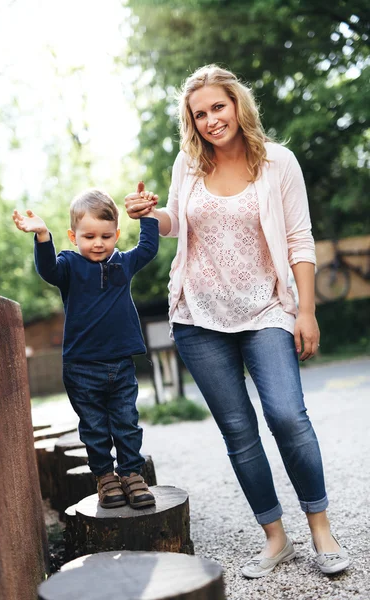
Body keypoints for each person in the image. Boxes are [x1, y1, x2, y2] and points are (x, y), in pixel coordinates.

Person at [125, 65, 350, 576]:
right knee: (237, 430)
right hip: (197, 316)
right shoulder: (189, 163)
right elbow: (174, 224)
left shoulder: (278, 162)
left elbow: (300, 240)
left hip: (267, 309)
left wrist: (306, 311)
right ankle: (276, 538)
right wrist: (146, 214)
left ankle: (322, 530)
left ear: (237, 105)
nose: (210, 120)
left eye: (217, 107)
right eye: (199, 114)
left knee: (288, 417)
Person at [13, 186, 159, 509]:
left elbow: (148, 248)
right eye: (89, 236)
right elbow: (47, 270)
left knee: (126, 422)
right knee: (93, 427)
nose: (98, 243)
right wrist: (41, 236)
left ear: (117, 235)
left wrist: (147, 216)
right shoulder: (68, 265)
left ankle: (132, 474)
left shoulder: (123, 264)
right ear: (73, 235)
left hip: (120, 364)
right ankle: (106, 478)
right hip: (81, 367)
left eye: (106, 236)